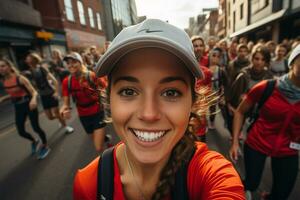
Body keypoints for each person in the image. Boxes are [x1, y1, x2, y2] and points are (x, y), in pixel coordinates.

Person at [73, 19, 245, 200]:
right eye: (128, 91)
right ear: (109, 100)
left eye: (170, 93)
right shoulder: (88, 184)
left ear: (193, 103)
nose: (149, 114)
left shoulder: (213, 174)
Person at [229, 44, 300, 200]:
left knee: (280, 195)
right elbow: (240, 111)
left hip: (288, 150)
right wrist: (235, 142)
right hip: (257, 143)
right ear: (293, 61)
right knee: (252, 183)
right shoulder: (267, 87)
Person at [0, 58, 50, 159]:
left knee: (36, 127)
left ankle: (45, 145)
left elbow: (34, 91)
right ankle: (34, 141)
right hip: (18, 106)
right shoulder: (3, 81)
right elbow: (13, 94)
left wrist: (33, 100)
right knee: (21, 131)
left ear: (9, 67)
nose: (0, 68)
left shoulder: (20, 78)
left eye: (2, 66)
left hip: (29, 104)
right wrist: (3, 98)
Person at [60, 52, 109, 153]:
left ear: (80, 62)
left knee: (98, 148)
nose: (71, 65)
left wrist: (106, 99)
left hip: (97, 112)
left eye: (74, 62)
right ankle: (104, 138)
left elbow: (105, 87)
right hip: (83, 116)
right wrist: (64, 109)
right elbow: (66, 103)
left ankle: (106, 160)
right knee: (94, 138)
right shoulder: (66, 82)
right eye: (68, 63)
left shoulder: (91, 76)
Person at [227, 47, 273, 136]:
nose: (259, 62)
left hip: (259, 114)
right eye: (257, 59)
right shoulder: (243, 75)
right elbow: (234, 95)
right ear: (252, 59)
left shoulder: (269, 77)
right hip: (242, 110)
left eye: (263, 60)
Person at [25, 53, 74, 134]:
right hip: (43, 96)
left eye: (28, 58)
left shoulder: (41, 69)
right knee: (50, 117)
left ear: (33, 59)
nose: (26, 60)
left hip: (51, 94)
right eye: (27, 59)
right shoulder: (30, 72)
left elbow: (54, 80)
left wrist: (56, 92)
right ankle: (60, 119)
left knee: (56, 112)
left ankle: (66, 127)